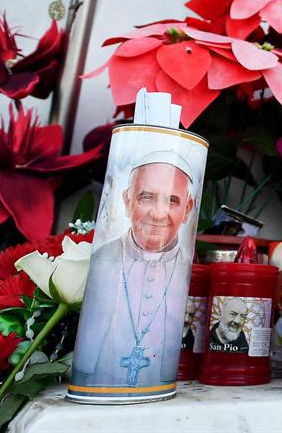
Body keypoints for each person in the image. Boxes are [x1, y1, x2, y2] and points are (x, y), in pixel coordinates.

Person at [73, 151, 195, 389]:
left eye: (172, 200)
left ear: (187, 209)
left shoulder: (189, 268)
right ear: (127, 201)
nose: (159, 214)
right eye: (147, 197)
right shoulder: (101, 260)